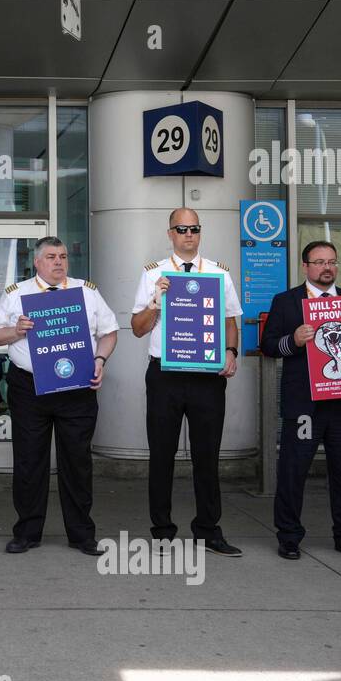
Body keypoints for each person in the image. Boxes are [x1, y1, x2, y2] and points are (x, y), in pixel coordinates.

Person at [0, 237, 118, 554]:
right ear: (37, 262)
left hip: (77, 388)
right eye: (50, 256)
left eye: (62, 256)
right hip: (29, 387)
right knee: (30, 462)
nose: (58, 262)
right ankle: (27, 533)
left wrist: (100, 361)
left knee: (77, 462)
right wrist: (16, 331)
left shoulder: (87, 292)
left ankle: (82, 534)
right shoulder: (17, 295)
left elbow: (109, 332)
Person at [130, 208, 243, 555]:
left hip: (206, 377)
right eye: (181, 229)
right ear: (170, 234)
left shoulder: (218, 274)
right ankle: (162, 531)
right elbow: (137, 328)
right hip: (165, 374)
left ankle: (209, 530)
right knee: (161, 455)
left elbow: (230, 322)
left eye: (194, 228)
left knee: (207, 456)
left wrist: (231, 352)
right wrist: (156, 301)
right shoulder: (153, 275)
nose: (188, 234)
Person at [260, 240, 341, 561]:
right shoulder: (286, 302)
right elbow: (269, 345)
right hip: (304, 408)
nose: (327, 267)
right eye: (319, 262)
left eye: (332, 262)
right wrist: (293, 340)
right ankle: (288, 536)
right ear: (305, 266)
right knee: (293, 470)